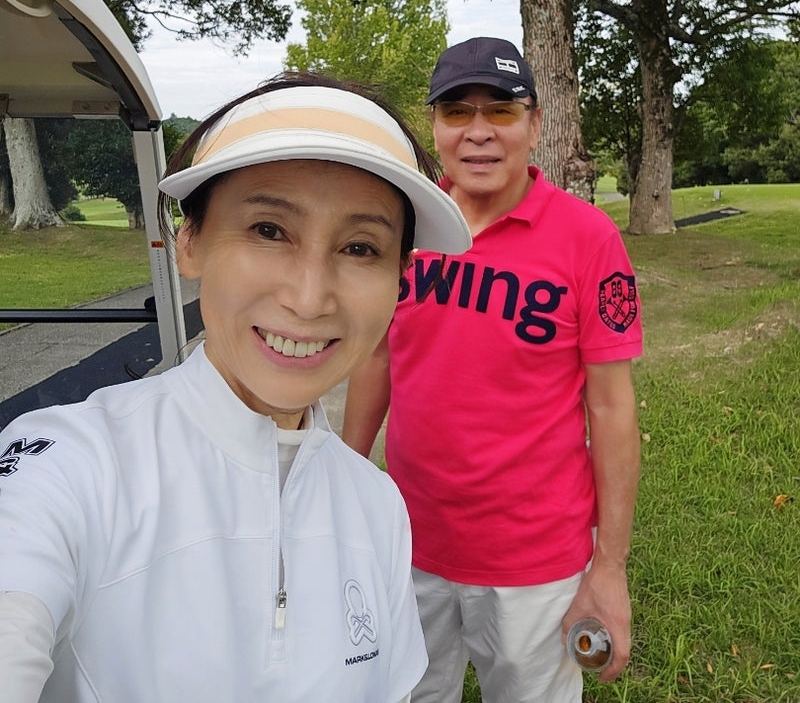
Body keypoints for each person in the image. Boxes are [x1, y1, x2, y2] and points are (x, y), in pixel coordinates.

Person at [0, 73, 472, 703]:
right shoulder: (70, 463)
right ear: (188, 241)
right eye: (268, 231)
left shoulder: (376, 503)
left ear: (399, 279)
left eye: (361, 248)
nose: (309, 298)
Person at [343, 38, 642, 703]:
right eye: (457, 111)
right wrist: (344, 476)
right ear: (435, 127)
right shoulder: (405, 226)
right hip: (409, 539)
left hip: (535, 560)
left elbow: (612, 407)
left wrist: (610, 568)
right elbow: (378, 355)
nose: (478, 131)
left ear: (535, 125)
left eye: (501, 111)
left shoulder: (588, 238)